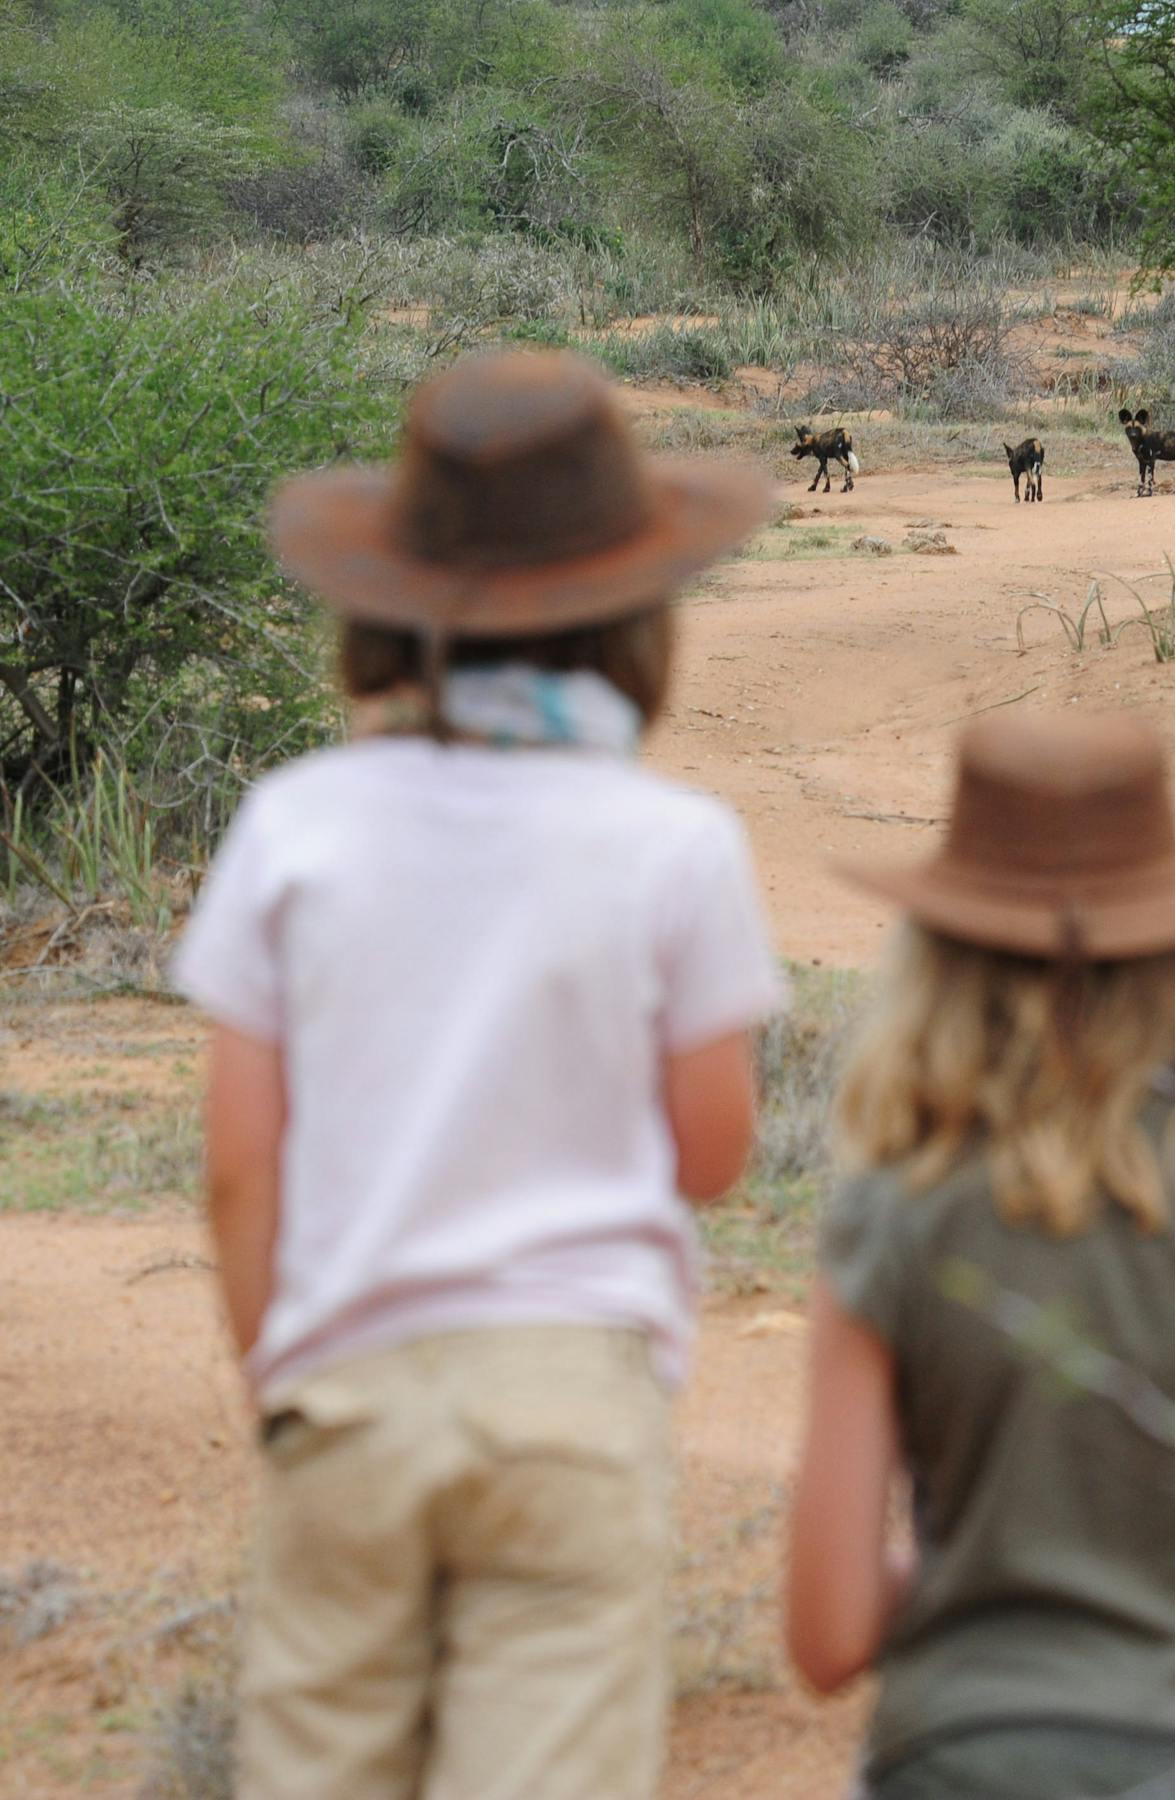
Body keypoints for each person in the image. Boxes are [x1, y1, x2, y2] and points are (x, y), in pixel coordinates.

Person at [174, 349, 783, 1800]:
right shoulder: (675, 842)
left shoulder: (293, 823)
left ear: (387, 604)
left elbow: (239, 1159)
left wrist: (282, 1364)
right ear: (639, 617)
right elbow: (712, 1155)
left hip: (347, 1394)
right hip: (570, 1405)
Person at [783, 712, 1175, 1800]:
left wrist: (992, 1567)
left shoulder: (894, 1219)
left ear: (940, 958)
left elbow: (829, 1635)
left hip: (965, 1756)